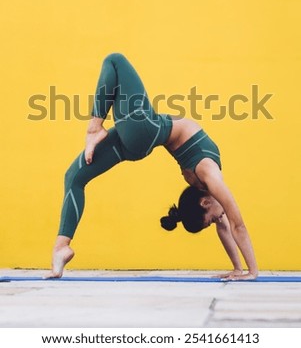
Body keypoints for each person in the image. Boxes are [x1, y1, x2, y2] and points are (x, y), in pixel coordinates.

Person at [47, 53, 258, 281]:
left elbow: (229, 226)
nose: (219, 219)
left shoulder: (208, 181)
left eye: (212, 219)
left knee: (115, 61)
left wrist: (244, 271)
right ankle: (61, 248)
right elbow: (235, 226)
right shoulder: (210, 178)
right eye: (213, 219)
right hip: (141, 135)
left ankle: (94, 128)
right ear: (205, 202)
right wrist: (247, 270)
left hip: (144, 130)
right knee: (74, 178)